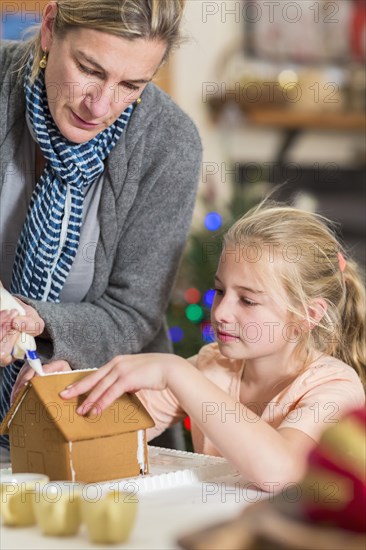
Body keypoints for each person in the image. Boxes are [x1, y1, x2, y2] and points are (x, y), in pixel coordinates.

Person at [0, 0, 202, 452]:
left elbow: (133, 314)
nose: (101, 105)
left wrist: (35, 322)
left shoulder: (169, 143)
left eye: (131, 85)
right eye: (90, 69)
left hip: (92, 430)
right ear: (50, 29)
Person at [61, 202, 366, 490]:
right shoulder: (213, 364)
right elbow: (106, 432)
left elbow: (281, 472)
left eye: (247, 300)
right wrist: (59, 391)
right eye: (220, 291)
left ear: (308, 315)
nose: (220, 312)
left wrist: (176, 372)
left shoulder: (335, 387)